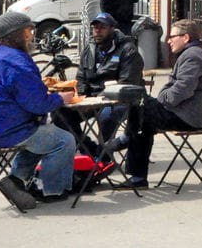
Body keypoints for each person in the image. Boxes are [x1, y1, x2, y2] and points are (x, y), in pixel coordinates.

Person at [0, 10, 77, 208]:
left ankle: (17, 181)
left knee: (43, 135)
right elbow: (37, 105)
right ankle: (49, 190)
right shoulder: (17, 61)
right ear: (15, 36)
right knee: (64, 140)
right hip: (9, 130)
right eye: (28, 33)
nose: (31, 38)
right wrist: (60, 98)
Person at [113, 19, 202, 188]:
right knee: (142, 119)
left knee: (140, 107)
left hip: (187, 117)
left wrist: (161, 98)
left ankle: (125, 143)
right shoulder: (191, 54)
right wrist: (163, 96)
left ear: (185, 38)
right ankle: (137, 176)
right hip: (181, 112)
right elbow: (173, 88)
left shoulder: (193, 57)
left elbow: (180, 92)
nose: (168, 40)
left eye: (172, 36)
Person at [54, 11, 144, 157]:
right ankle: (90, 150)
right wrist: (82, 97)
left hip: (120, 100)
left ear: (112, 29)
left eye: (102, 27)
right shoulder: (89, 49)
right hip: (92, 98)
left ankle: (105, 156)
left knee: (106, 116)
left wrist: (100, 99)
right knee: (60, 114)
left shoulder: (128, 50)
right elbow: (81, 77)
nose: (98, 31)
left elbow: (127, 83)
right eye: (95, 28)